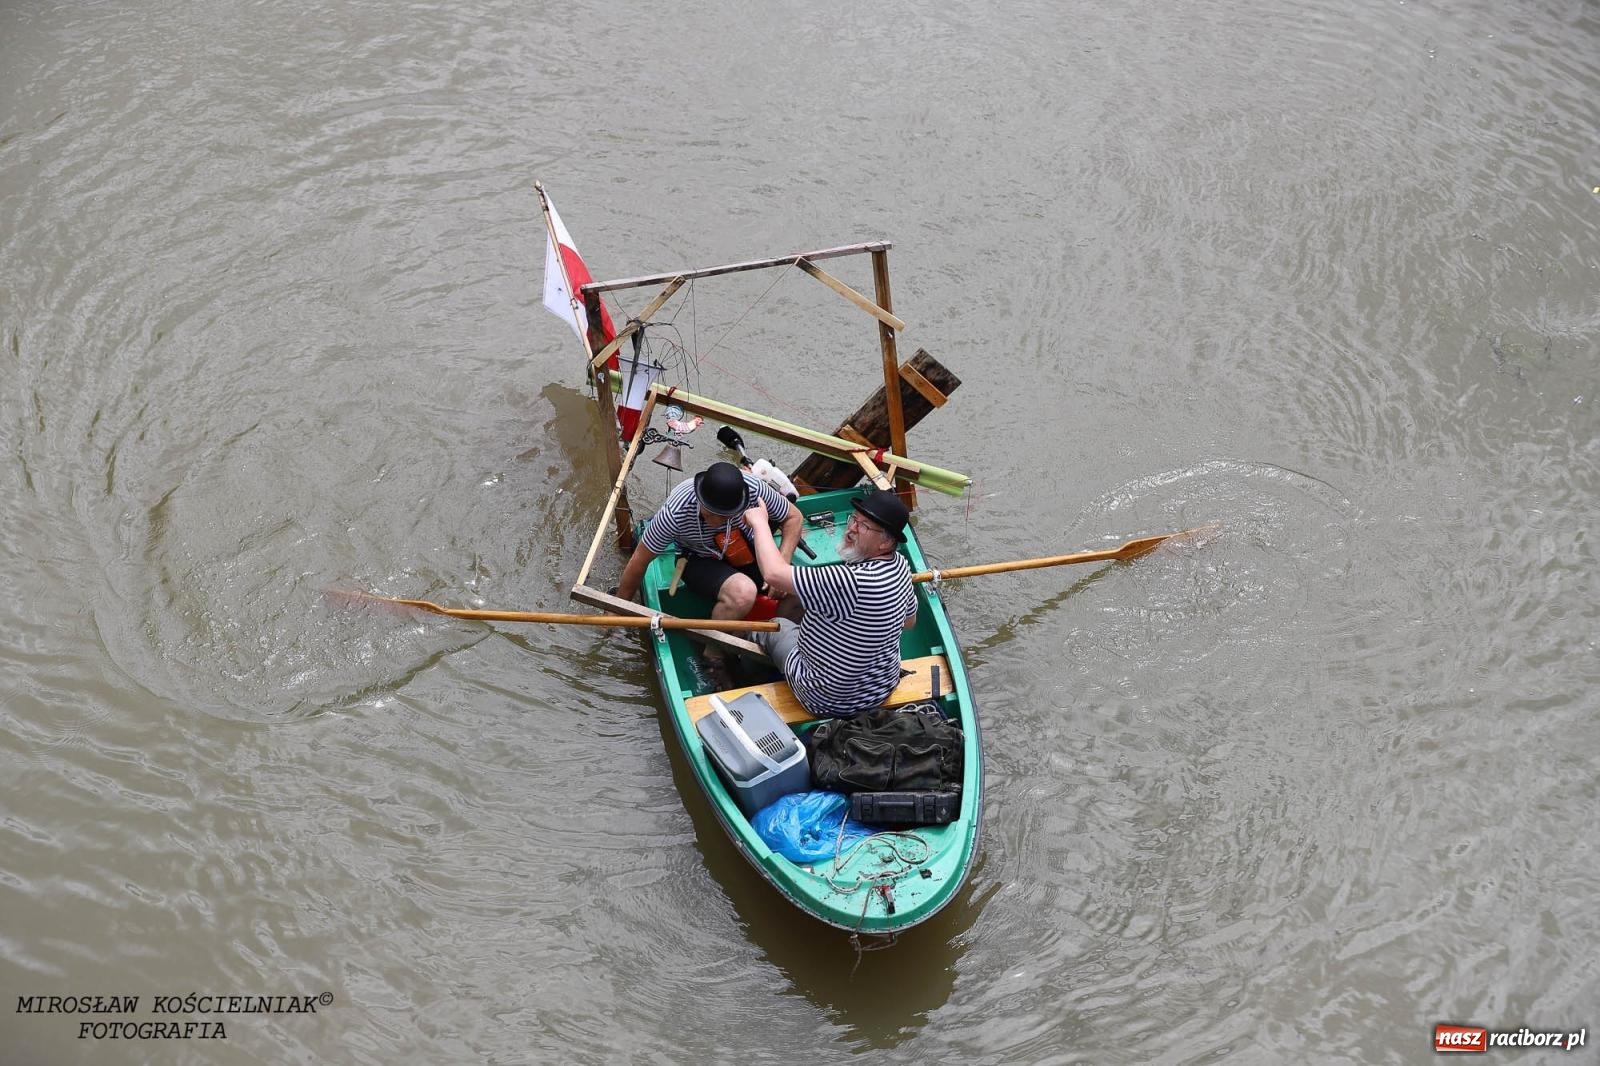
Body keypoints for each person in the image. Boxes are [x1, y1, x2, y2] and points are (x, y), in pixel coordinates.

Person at [739, 489, 917, 718]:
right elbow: (909, 622)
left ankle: (744, 676)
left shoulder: (850, 581)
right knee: (803, 602)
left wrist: (760, 523)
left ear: (886, 542)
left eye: (865, 526)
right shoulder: (901, 566)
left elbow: (773, 574)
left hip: (825, 700)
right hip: (879, 689)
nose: (852, 528)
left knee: (774, 627)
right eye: (854, 518)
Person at [615, 462, 803, 678]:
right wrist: (618, 612)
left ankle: (779, 642)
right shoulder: (675, 511)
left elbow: (793, 517)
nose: (716, 521)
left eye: (725, 516)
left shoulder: (755, 489)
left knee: (797, 588)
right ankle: (713, 651)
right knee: (743, 593)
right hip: (699, 557)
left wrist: (782, 562)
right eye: (711, 514)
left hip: (745, 547)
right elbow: (639, 562)